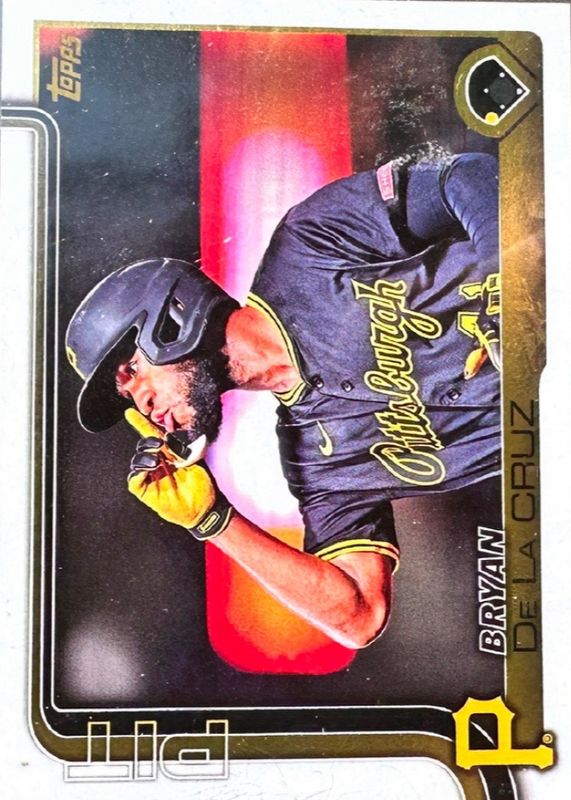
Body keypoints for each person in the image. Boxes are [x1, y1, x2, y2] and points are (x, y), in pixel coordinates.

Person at [65, 145, 500, 651]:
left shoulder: (307, 243)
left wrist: (511, 284)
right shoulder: (315, 461)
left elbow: (464, 176)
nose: (140, 406)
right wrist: (213, 522)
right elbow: (360, 616)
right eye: (128, 402)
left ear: (168, 317)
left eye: (132, 373)